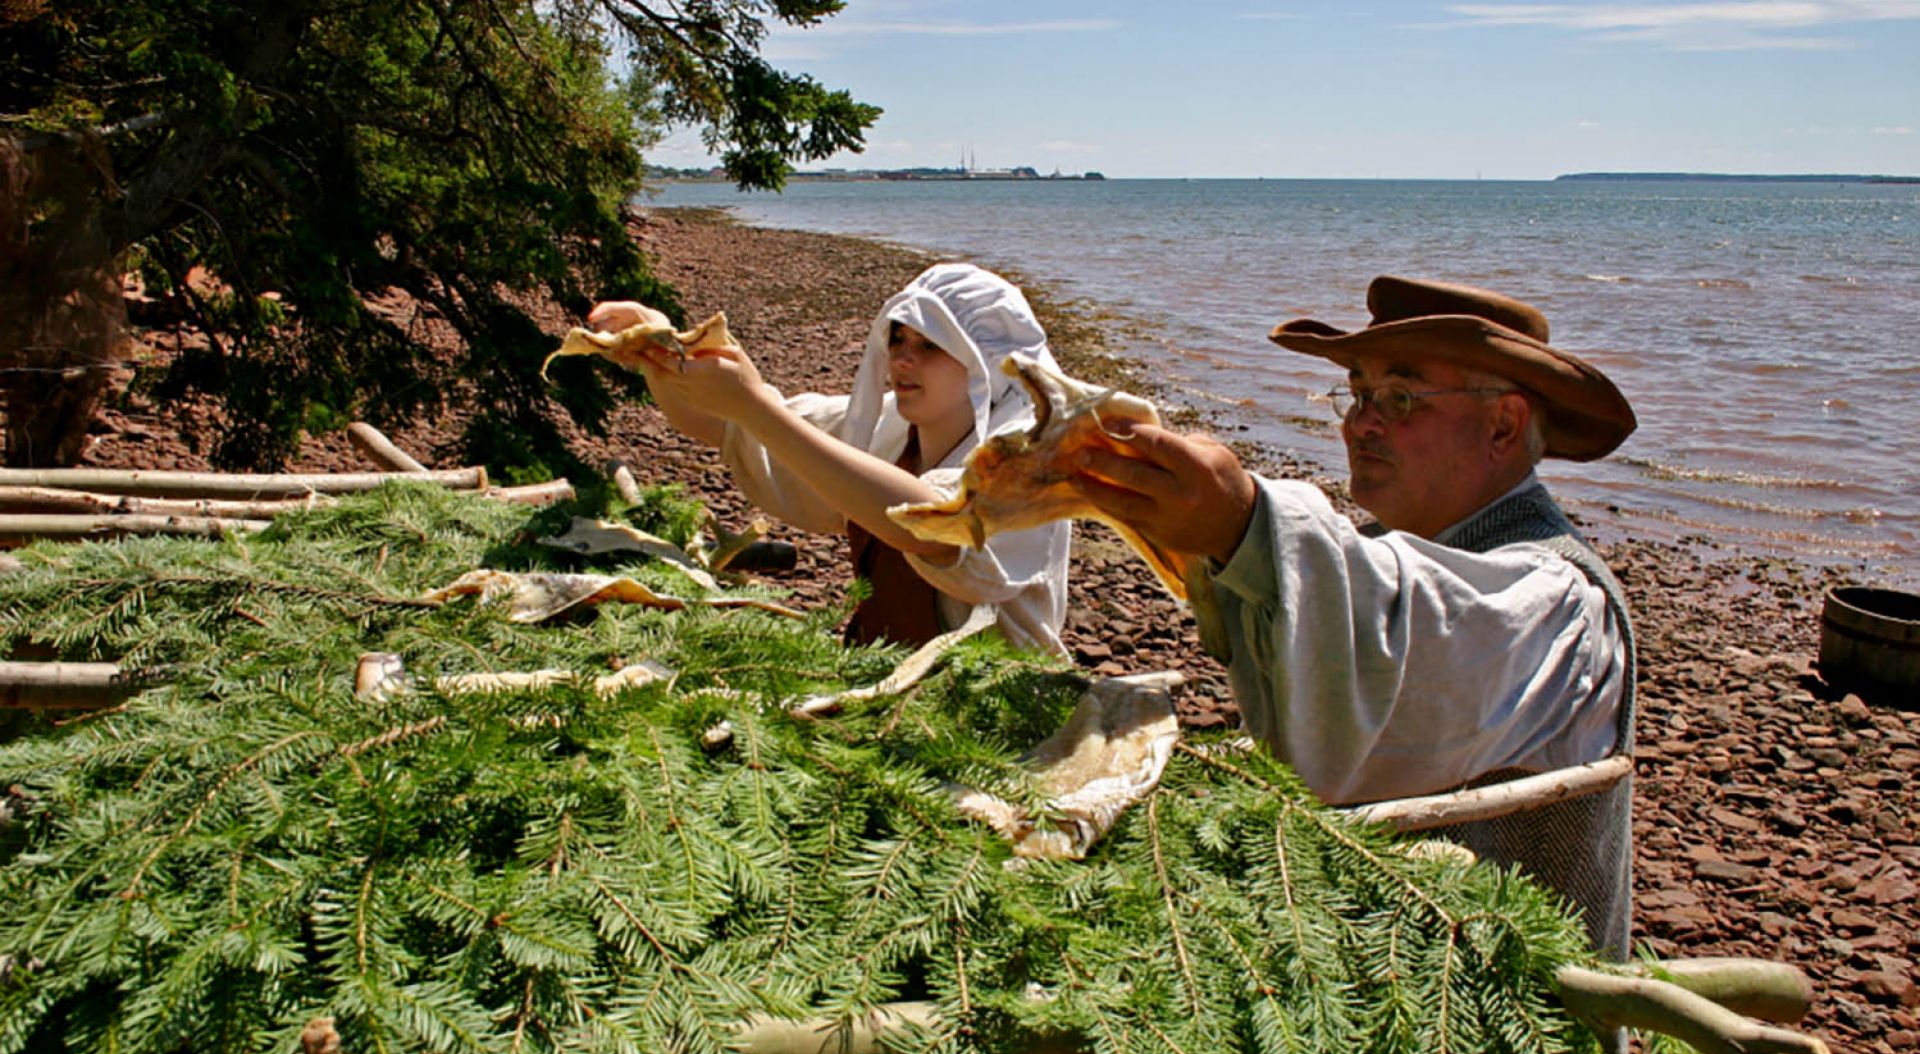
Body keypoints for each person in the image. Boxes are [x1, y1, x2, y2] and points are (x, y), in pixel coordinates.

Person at [1069, 275, 1638, 960]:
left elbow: (1428, 637)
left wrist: (1241, 519)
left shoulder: (1557, 601)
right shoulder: (1385, 555)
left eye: (1400, 398)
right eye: (1359, 394)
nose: (1360, 424)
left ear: (1503, 425)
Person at [589, 263, 1072, 655]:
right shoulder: (888, 425)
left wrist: (753, 405)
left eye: (930, 346)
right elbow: (728, 427)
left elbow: (935, 527)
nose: (902, 360)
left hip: (992, 718)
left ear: (987, 363)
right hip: (881, 681)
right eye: (898, 340)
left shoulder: (1031, 460)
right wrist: (657, 351)